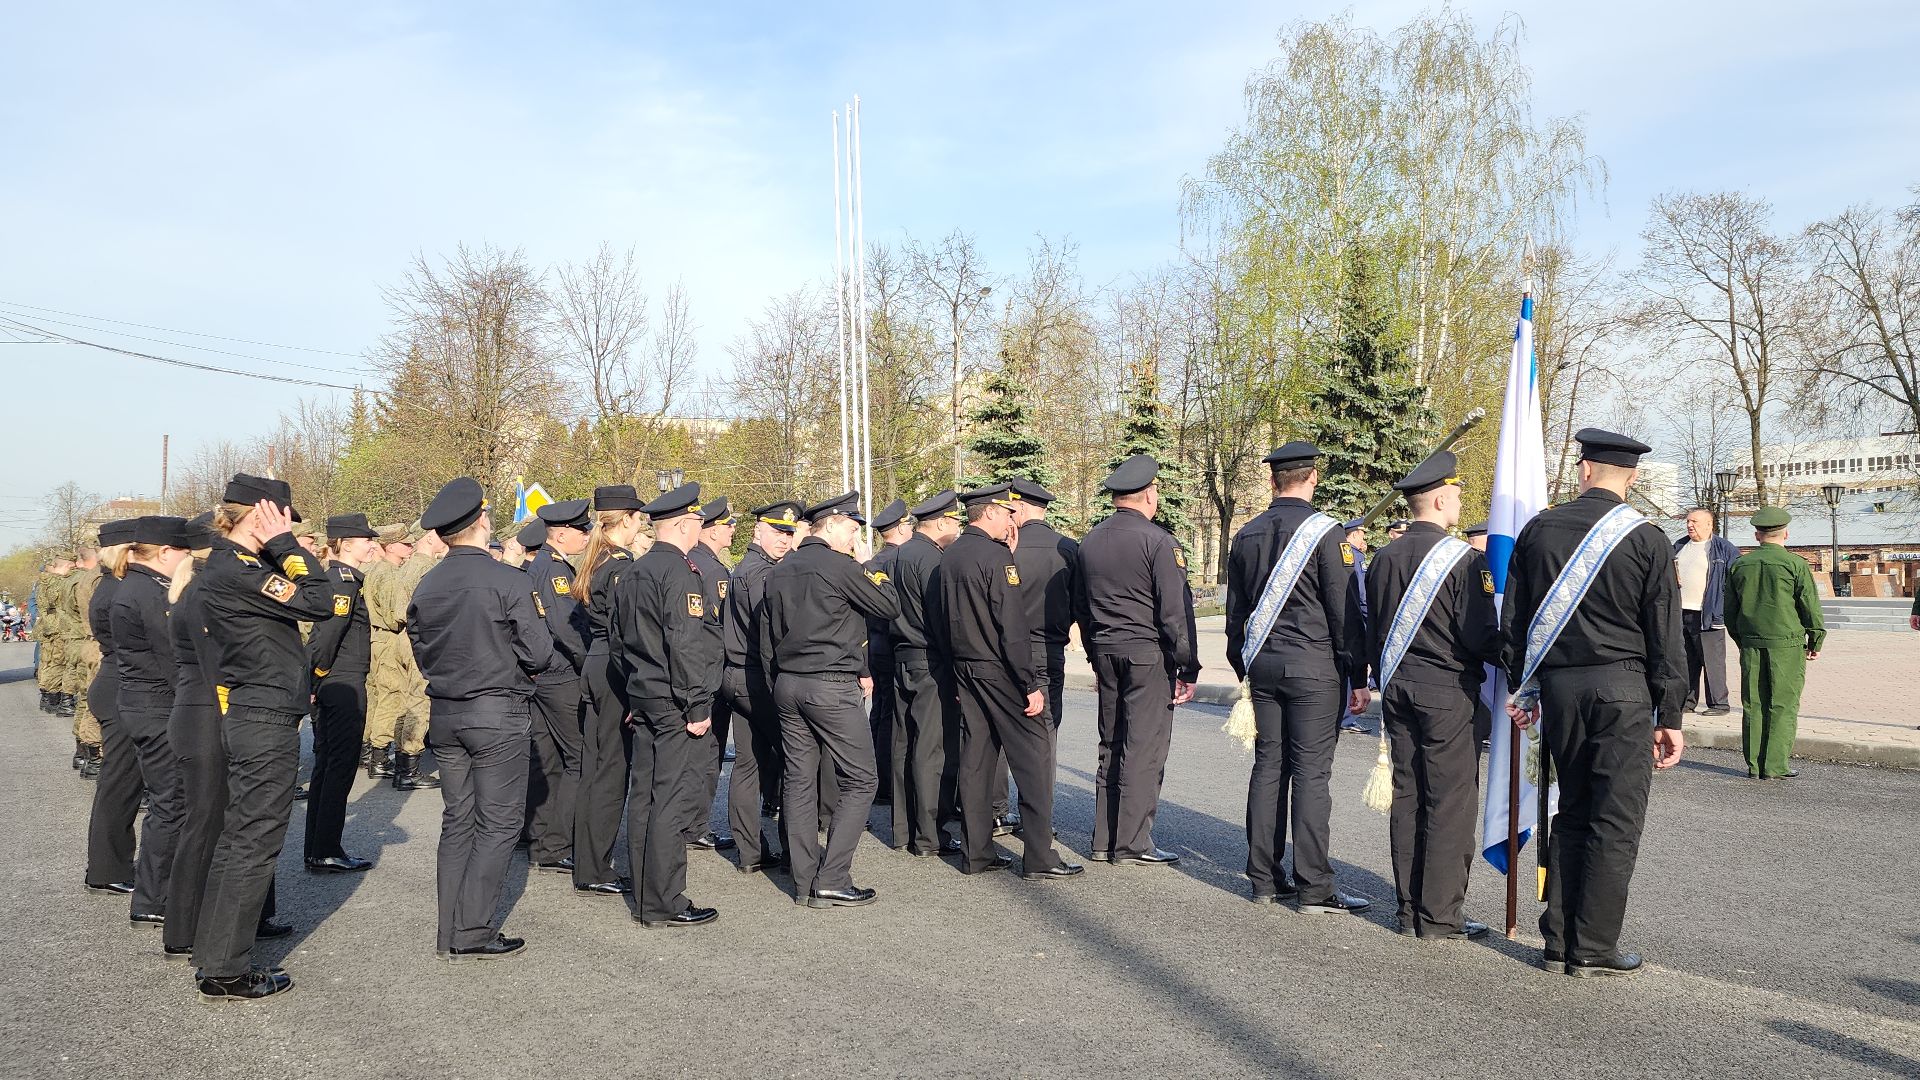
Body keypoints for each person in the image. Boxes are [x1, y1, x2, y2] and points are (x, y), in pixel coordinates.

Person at [1503, 428, 1685, 978]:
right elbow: (1665, 635)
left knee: (1573, 809)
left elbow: (1515, 621)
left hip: (1560, 689)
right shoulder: (1647, 538)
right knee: (1616, 817)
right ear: (1630, 479)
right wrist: (1670, 714)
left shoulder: (1538, 529)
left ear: (1584, 470)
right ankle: (1594, 945)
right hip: (1622, 689)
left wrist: (1525, 686)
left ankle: (1557, 939)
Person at [194, 474, 338, 1002]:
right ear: (260, 516)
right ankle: (225, 969)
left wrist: (277, 548)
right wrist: (285, 546)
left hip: (257, 712)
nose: (288, 530)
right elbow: (322, 601)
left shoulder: (237, 567)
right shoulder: (237, 570)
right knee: (253, 842)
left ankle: (217, 955)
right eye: (281, 520)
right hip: (263, 716)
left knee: (242, 840)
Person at [408, 478, 553, 959]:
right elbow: (539, 650)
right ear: (482, 522)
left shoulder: (426, 584)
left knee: (458, 821)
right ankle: (473, 931)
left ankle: (450, 929)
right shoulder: (508, 580)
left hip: (446, 712)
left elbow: (420, 649)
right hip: (496, 713)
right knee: (497, 824)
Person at [1226, 442, 1371, 912]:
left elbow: (1235, 616)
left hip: (1263, 666)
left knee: (1268, 767)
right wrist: (1359, 672)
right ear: (1313, 478)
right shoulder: (1327, 535)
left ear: (1273, 481)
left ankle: (1264, 878)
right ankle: (1314, 886)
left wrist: (1242, 665)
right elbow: (1344, 611)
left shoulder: (1246, 534)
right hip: (1313, 667)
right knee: (1311, 774)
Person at [1365, 453, 1499, 941]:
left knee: (1409, 794)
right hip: (1446, 691)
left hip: (1397, 688)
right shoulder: (1465, 562)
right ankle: (1439, 915)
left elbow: (1370, 624)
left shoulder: (1383, 557)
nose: (1461, 500)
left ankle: (1407, 909)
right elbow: (1482, 636)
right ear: (1441, 498)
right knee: (1449, 802)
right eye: (1458, 493)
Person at [762, 492, 900, 907]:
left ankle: (805, 879)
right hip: (830, 684)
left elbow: (768, 637)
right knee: (861, 778)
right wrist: (865, 565)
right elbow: (888, 605)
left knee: (800, 781)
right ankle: (833, 876)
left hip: (789, 682)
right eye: (853, 529)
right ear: (833, 525)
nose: (856, 536)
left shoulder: (782, 568)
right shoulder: (841, 565)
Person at [164, 513, 289, 963]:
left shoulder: (194, 589)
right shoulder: (206, 593)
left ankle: (201, 930)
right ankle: (185, 931)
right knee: (206, 825)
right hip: (206, 713)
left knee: (216, 825)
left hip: (203, 709)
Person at [610, 482, 723, 927]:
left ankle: (645, 892)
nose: (700, 527)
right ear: (682, 524)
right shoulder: (678, 571)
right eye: (696, 521)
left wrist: (634, 690)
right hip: (674, 699)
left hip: (645, 693)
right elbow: (685, 643)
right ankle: (664, 901)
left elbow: (617, 642)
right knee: (670, 798)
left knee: (644, 795)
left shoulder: (633, 571)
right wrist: (697, 705)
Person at [1075, 457, 1198, 865]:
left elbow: (1082, 606)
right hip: (1147, 654)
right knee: (1143, 748)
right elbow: (1174, 612)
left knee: (1110, 743)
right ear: (1148, 494)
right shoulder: (1158, 541)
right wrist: (1187, 666)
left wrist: (1094, 657)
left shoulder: (1090, 540)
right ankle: (1132, 844)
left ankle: (1103, 838)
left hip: (1106, 651)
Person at [109, 516, 194, 931]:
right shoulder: (146, 591)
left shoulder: (141, 586)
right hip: (157, 707)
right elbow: (172, 658)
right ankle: (154, 899)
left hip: (148, 704)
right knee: (172, 802)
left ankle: (157, 893)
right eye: (184, 552)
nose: (188, 559)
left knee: (169, 800)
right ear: (165, 552)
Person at [572, 484, 648, 896]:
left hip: (597, 662)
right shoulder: (621, 566)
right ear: (629, 520)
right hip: (614, 669)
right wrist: (637, 691)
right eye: (639, 517)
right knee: (611, 771)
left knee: (597, 767)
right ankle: (596, 867)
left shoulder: (598, 560)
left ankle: (589, 862)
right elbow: (625, 633)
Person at [720, 500, 802, 873]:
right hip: (758, 677)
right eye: (777, 533)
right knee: (794, 760)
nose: (784, 541)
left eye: (789, 534)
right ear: (758, 531)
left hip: (737, 675)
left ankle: (750, 851)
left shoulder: (746, 568)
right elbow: (771, 627)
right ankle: (794, 853)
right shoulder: (763, 573)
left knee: (749, 764)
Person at [303, 513, 382, 874]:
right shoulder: (344, 582)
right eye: (365, 539)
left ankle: (318, 846)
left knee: (327, 765)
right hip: (342, 681)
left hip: (335, 680)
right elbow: (326, 637)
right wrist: (318, 678)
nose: (371, 544)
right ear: (346, 544)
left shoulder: (341, 580)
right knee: (339, 766)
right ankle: (326, 848)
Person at [887, 490, 964, 857]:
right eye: (955, 522)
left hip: (902, 656)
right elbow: (942, 618)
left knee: (903, 744)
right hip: (930, 660)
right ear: (941, 523)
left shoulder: (899, 554)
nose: (958, 529)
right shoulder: (933, 560)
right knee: (931, 749)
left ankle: (903, 830)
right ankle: (929, 835)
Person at [1724, 507, 1825, 780]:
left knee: (1753, 702)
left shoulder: (1739, 565)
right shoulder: (1795, 564)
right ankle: (1775, 765)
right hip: (1786, 643)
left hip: (1751, 641)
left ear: (1757, 535)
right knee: (1782, 703)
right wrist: (1815, 638)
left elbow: (1729, 611)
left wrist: (1741, 639)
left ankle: (1754, 764)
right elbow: (1809, 606)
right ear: (1786, 534)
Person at [521, 498, 591, 874]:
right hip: (562, 675)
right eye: (582, 530)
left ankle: (538, 837)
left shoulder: (539, 566)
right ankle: (557, 845)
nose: (587, 536)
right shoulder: (554, 571)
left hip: (543, 674)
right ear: (562, 533)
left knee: (546, 759)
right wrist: (588, 664)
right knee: (578, 759)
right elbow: (567, 628)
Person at [83, 521, 140, 897]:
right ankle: (106, 869)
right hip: (120, 687)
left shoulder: (110, 586)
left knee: (121, 781)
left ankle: (108, 865)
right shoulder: (117, 590)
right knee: (120, 782)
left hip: (114, 683)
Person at [367, 525, 448, 792]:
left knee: (404, 700)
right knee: (418, 702)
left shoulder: (409, 567)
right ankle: (408, 768)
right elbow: (401, 611)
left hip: (401, 638)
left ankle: (404, 765)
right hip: (412, 636)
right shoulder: (422, 567)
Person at [681, 497, 738, 852]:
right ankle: (694, 825)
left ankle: (691, 822)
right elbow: (718, 627)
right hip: (710, 672)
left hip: (702, 672)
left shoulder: (702, 561)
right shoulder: (712, 569)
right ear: (712, 529)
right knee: (705, 756)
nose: (733, 530)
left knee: (700, 755)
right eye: (729, 525)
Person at [1009, 480, 1081, 731]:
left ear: (1022, 508)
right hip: (1049, 649)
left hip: (1009, 649)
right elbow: (1079, 602)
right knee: (1047, 727)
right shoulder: (1068, 548)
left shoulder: (1007, 548)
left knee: (1008, 730)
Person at [358, 523, 413, 778]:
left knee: (381, 695)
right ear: (390, 547)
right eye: (405, 543)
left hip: (378, 638)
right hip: (389, 638)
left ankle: (373, 751)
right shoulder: (389, 574)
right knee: (393, 696)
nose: (410, 547)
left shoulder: (377, 570)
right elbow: (395, 617)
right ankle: (379, 757)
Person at [1672, 508, 1738, 716]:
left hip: (1708, 614)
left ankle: (1719, 704)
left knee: (1712, 661)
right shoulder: (1679, 546)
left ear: (1709, 525)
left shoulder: (1723, 549)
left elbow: (1734, 581)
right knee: (1686, 661)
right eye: (1688, 521)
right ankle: (1688, 702)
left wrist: (1726, 609)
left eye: (1695, 522)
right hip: (1682, 612)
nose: (1690, 525)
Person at [866, 498, 910, 805]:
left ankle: (878, 780)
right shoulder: (900, 561)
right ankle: (890, 784)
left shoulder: (875, 563)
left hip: (875, 644)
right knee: (894, 716)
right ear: (901, 528)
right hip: (895, 644)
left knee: (880, 713)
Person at [65, 547, 105, 777]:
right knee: (97, 703)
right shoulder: (98, 577)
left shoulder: (84, 579)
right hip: (96, 643)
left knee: (87, 699)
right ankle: (95, 757)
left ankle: (86, 754)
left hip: (87, 642)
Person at [1340, 519, 1372, 733]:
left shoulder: (1343, 553)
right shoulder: (1355, 556)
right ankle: (1348, 718)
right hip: (1356, 618)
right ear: (1352, 536)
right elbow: (1361, 593)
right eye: (1361, 534)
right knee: (1354, 667)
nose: (1363, 538)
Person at [35, 554, 75, 716]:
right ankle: (55, 698)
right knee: (58, 663)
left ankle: (48, 697)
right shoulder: (56, 582)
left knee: (49, 662)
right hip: (57, 627)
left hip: (49, 626)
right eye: (72, 567)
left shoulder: (44, 581)